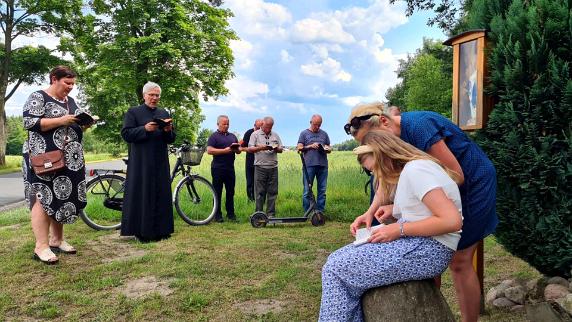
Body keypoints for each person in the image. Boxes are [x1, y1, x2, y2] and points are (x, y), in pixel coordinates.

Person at [345, 101, 498, 322]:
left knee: (460, 260)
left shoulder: (419, 126)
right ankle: (428, 312)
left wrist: (413, 206)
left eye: (374, 140)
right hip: (440, 192)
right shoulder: (392, 137)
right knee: (426, 249)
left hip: (473, 185)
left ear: (384, 122)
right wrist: (372, 211)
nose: (374, 147)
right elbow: (386, 174)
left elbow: (455, 175)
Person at [319, 130, 463, 321]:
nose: (376, 175)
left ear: (386, 155)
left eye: (375, 168)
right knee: (335, 259)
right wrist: (393, 210)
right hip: (423, 244)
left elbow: (451, 220)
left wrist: (399, 229)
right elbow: (425, 208)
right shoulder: (411, 171)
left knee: (336, 270)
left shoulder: (416, 171)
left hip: (431, 249)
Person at [22, 65, 91, 264]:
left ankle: (57, 239)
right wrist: (62, 120)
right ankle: (41, 246)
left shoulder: (69, 101)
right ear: (54, 79)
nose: (70, 87)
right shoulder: (38, 97)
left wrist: (83, 124)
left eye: (73, 84)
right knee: (42, 197)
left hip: (68, 159)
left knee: (61, 195)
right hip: (43, 158)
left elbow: (73, 124)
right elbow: (29, 122)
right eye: (67, 83)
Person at [121, 81, 176, 242]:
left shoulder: (164, 112)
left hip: (160, 161)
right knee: (143, 194)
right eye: (151, 95)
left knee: (161, 193)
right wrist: (144, 129)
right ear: (144, 95)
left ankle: (162, 230)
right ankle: (141, 232)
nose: (154, 98)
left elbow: (171, 139)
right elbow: (126, 134)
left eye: (157, 95)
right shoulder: (134, 112)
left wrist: (167, 131)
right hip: (141, 162)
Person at [207, 115, 242, 222]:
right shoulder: (214, 136)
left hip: (230, 168)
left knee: (230, 192)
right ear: (218, 124)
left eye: (228, 124)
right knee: (217, 192)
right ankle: (217, 215)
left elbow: (239, 151)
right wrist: (225, 150)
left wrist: (237, 149)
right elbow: (209, 150)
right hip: (217, 168)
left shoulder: (232, 136)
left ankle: (231, 214)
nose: (226, 126)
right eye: (224, 124)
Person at [247, 116, 283, 217]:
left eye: (270, 127)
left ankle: (271, 215)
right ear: (262, 124)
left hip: (273, 167)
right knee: (259, 193)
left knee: (273, 192)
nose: (268, 129)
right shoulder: (255, 134)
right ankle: (259, 214)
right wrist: (261, 147)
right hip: (260, 167)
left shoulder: (275, 135)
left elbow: (281, 148)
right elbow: (250, 149)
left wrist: (276, 148)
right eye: (267, 126)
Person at [296, 114, 331, 213]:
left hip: (322, 165)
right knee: (307, 191)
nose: (317, 127)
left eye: (319, 125)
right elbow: (299, 147)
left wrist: (327, 148)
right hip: (309, 166)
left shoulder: (324, 134)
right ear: (311, 122)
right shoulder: (304, 133)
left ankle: (320, 212)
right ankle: (307, 212)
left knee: (322, 190)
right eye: (315, 124)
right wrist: (310, 146)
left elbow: (329, 147)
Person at [241, 119, 263, 202]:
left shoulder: (263, 133)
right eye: (258, 128)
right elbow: (243, 147)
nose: (259, 130)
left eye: (261, 127)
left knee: (259, 182)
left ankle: (259, 199)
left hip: (261, 161)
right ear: (254, 125)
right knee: (250, 181)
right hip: (250, 161)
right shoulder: (248, 133)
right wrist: (251, 149)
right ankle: (250, 199)